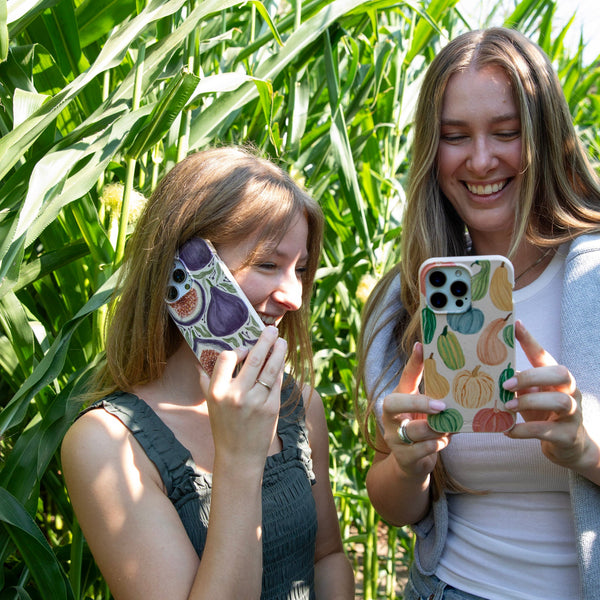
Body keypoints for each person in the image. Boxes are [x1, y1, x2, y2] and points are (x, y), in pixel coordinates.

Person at [356, 27, 600, 600]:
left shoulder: (592, 276)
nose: (482, 159)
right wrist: (407, 464)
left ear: (547, 137)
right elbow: (395, 507)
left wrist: (585, 446)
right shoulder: (404, 301)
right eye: (455, 136)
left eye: (507, 132)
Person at [61, 146, 355, 600]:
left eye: (300, 269)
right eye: (268, 264)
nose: (294, 297)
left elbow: (328, 557)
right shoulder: (105, 445)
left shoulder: (297, 404)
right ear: (183, 268)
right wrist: (239, 459)